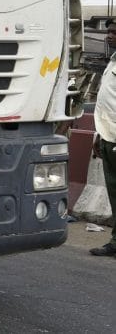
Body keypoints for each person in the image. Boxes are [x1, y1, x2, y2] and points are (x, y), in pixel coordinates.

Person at [89, 20, 116, 257]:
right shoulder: (112, 62)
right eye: (108, 31)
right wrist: (98, 135)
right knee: (114, 193)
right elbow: (105, 104)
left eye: (114, 32)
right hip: (108, 137)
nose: (109, 36)